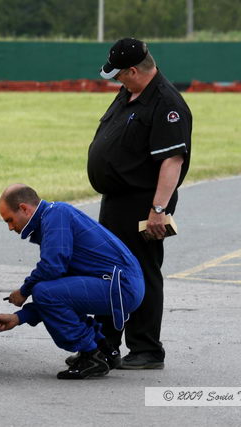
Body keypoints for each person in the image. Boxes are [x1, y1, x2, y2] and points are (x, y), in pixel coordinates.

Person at [88, 38, 192, 369]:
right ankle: (105, 345)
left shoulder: (166, 103)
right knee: (109, 273)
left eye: (120, 74)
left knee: (142, 274)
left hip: (143, 204)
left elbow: (172, 161)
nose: (117, 80)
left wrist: (158, 211)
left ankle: (147, 349)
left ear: (135, 70)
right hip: (116, 201)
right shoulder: (129, 94)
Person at [0, 184, 145, 379]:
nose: (10, 227)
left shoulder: (56, 216)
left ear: (24, 208)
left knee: (44, 292)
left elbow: (52, 267)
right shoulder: (53, 216)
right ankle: (104, 350)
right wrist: (18, 318)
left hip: (122, 286)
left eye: (10, 220)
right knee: (49, 291)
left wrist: (24, 291)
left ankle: (91, 357)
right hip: (121, 284)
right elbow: (57, 284)